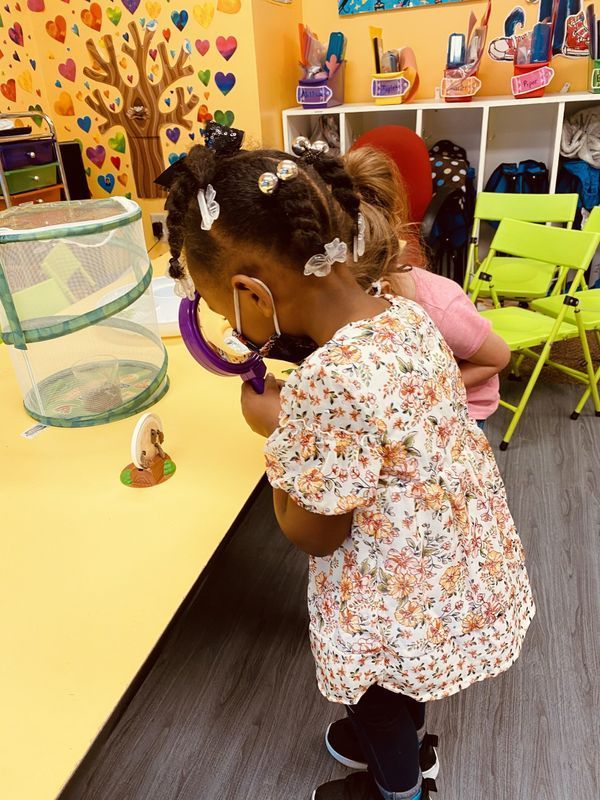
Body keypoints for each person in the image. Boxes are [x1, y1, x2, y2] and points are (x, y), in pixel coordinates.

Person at [164, 131, 535, 800]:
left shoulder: (325, 387)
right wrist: (306, 419)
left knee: (377, 691)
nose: (230, 324)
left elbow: (315, 531)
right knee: (402, 680)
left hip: (388, 594)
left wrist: (279, 435)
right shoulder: (405, 316)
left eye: (222, 311)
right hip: (444, 564)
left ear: (253, 293)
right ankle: (404, 744)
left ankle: (400, 786)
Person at [344, 146, 510, 429]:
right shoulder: (345, 293)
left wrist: (424, 392)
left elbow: (496, 358)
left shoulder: (438, 305)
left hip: (461, 407)